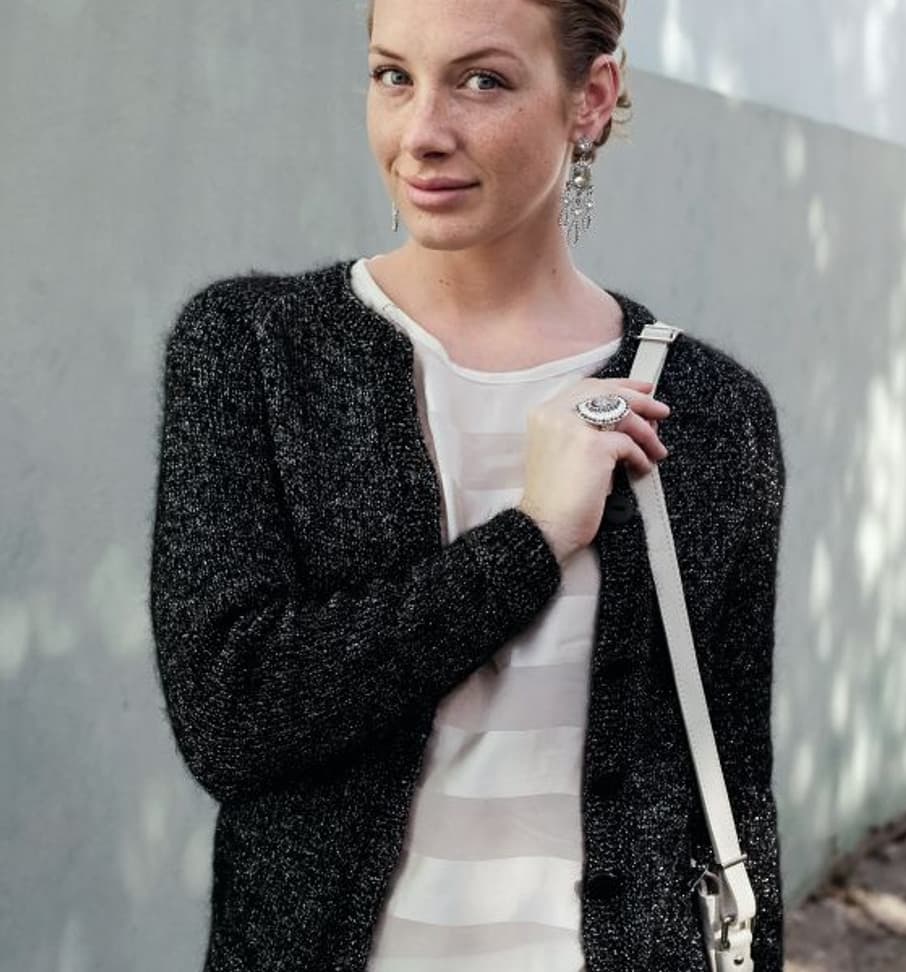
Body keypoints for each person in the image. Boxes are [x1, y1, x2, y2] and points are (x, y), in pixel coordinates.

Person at [149, 0, 787, 969]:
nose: (422, 133)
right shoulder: (254, 351)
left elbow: (733, 792)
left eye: (482, 80)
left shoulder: (710, 415)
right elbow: (230, 719)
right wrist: (530, 540)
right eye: (393, 76)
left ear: (592, 99)